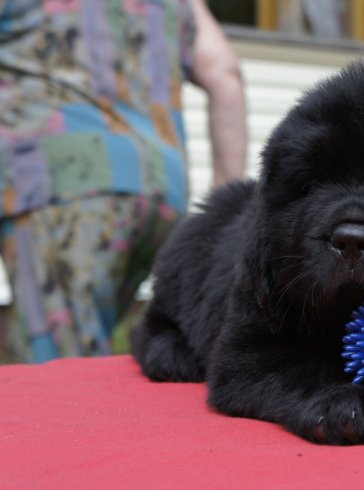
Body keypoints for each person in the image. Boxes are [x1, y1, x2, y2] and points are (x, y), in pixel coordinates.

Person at [0, 0, 248, 363]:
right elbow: (224, 72)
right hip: (160, 189)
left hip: (63, 184)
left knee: (57, 372)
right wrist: (221, 218)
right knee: (89, 354)